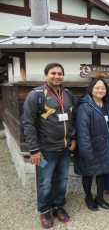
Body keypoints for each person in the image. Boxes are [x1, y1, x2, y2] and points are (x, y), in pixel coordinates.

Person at [22, 63, 76, 228]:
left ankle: (58, 206)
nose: (57, 76)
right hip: (45, 149)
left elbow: (71, 118)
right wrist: (34, 149)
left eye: (60, 73)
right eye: (53, 73)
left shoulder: (67, 94)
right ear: (46, 75)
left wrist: (73, 138)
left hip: (65, 147)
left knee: (62, 179)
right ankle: (45, 210)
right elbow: (28, 123)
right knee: (45, 181)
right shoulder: (36, 94)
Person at [74, 78, 109, 211]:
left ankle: (99, 198)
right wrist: (86, 151)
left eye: (103, 88)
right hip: (90, 146)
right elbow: (83, 131)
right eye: (97, 88)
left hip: (104, 146)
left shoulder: (107, 105)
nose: (100, 90)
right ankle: (88, 197)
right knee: (88, 173)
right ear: (91, 89)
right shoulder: (85, 106)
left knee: (102, 173)